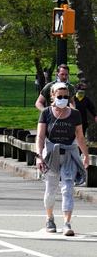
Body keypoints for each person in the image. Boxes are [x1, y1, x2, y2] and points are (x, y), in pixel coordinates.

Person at [36, 82, 88, 236]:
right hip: (52, 155)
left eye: (66, 96)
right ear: (52, 96)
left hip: (69, 154)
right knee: (51, 189)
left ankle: (67, 223)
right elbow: (40, 136)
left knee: (68, 189)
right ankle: (49, 218)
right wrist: (39, 156)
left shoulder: (75, 114)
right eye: (59, 96)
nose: (63, 99)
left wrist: (85, 155)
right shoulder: (46, 113)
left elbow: (79, 136)